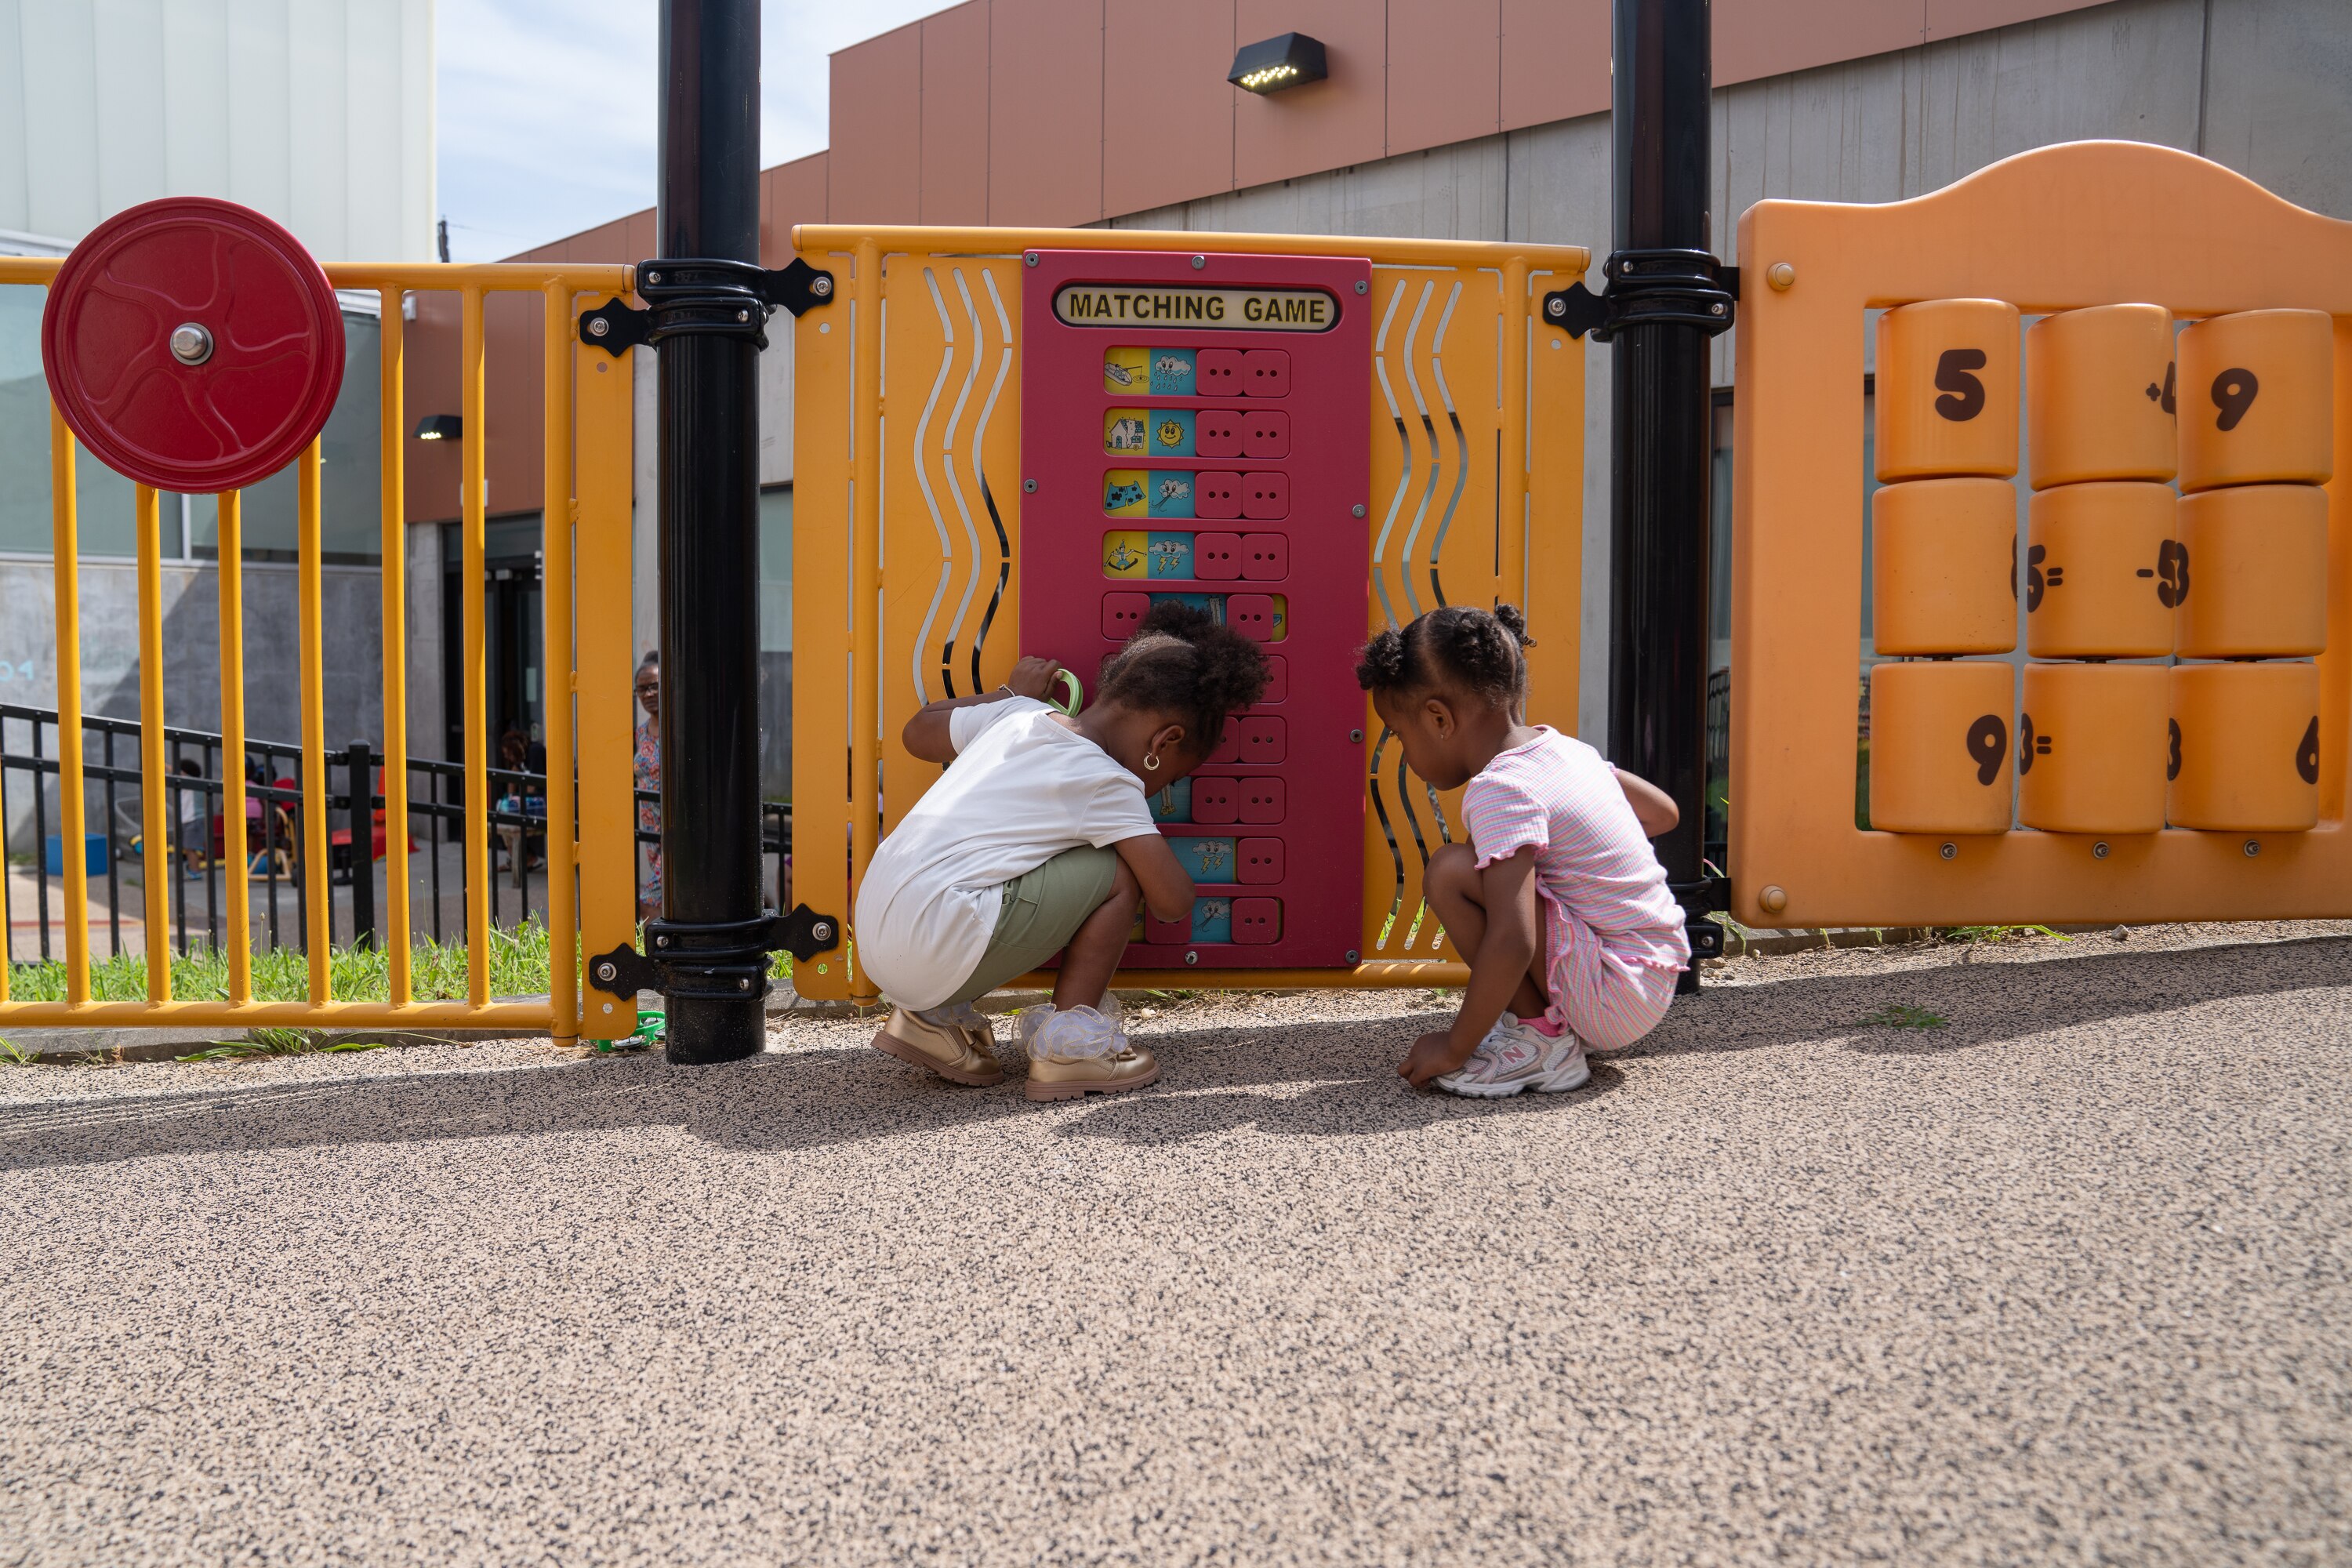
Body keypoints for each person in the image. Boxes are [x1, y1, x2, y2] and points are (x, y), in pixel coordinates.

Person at [855, 603, 1269, 1102]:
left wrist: (1007, 694)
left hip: (877, 934)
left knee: (1007, 871)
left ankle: (929, 1018)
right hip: (935, 941)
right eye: (1173, 777)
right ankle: (1071, 1048)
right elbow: (1172, 901)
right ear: (1164, 740)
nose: (1163, 788)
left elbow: (917, 732)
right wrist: (1136, 828)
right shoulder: (1108, 782)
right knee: (1119, 871)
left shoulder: (1019, 715)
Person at [1356, 604, 1687, 1098]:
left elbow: (1514, 940)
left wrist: (1454, 1047)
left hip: (1613, 993)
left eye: (1401, 735)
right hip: (1652, 974)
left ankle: (1541, 1043)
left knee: (1450, 871)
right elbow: (1663, 813)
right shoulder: (1568, 751)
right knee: (1485, 867)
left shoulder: (1501, 788)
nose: (1405, 751)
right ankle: (1553, 1023)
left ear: (1439, 718)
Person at [633, 653, 662, 922]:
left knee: (650, 902)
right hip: (651, 833)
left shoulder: (677, 726)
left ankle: (657, 957)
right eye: (642, 688)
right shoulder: (641, 732)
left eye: (655, 685)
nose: (649, 693)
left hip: (677, 834)